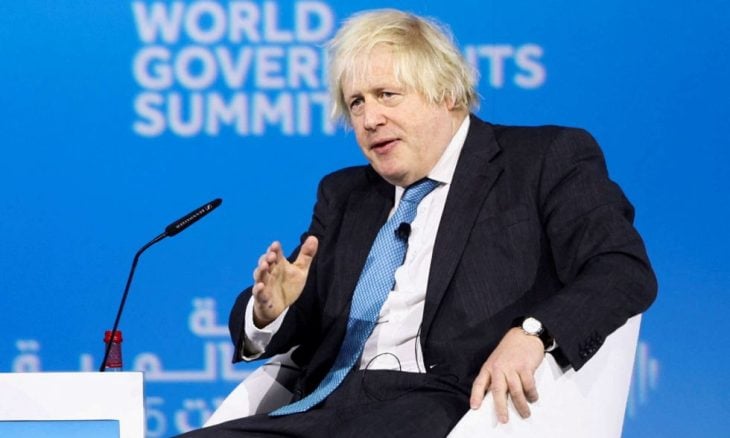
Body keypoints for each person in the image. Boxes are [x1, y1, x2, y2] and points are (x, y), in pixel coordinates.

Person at [179, 8, 657, 438]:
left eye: (386, 95)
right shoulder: (344, 194)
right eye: (356, 103)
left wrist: (533, 332)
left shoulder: (542, 160)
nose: (369, 119)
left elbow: (621, 269)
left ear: (446, 92)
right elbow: (298, 314)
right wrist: (271, 310)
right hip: (320, 406)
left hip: (446, 404)